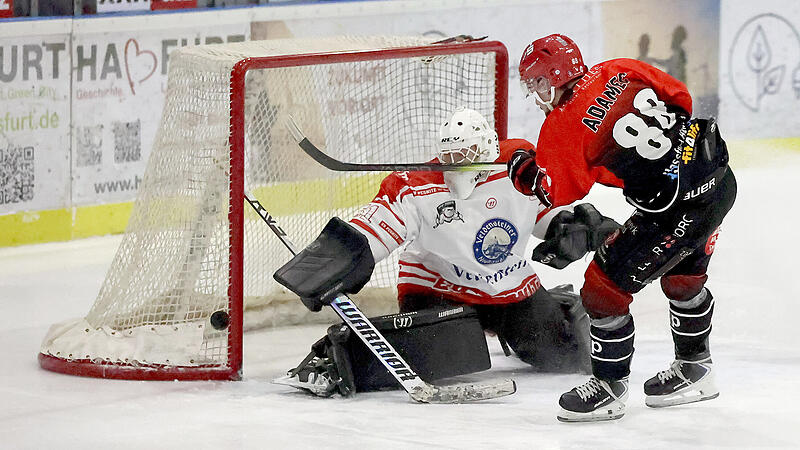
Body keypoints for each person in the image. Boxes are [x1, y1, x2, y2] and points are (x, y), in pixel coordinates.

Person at [271, 107, 608, 397]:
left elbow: (542, 213)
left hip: (509, 287)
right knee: (440, 356)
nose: (454, 165)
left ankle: (562, 305)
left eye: (464, 156)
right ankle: (334, 359)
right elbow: (370, 231)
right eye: (449, 157)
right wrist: (336, 260)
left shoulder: (517, 167)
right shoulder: (416, 186)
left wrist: (568, 228)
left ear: (487, 148)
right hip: (438, 288)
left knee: (565, 357)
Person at [509, 34, 737, 422]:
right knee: (683, 277)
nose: (536, 92)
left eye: (539, 82)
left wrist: (525, 171)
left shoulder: (560, 127)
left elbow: (557, 193)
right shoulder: (617, 69)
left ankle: (609, 388)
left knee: (601, 290)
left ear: (556, 74)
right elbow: (679, 96)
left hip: (674, 211)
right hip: (716, 180)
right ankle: (696, 370)